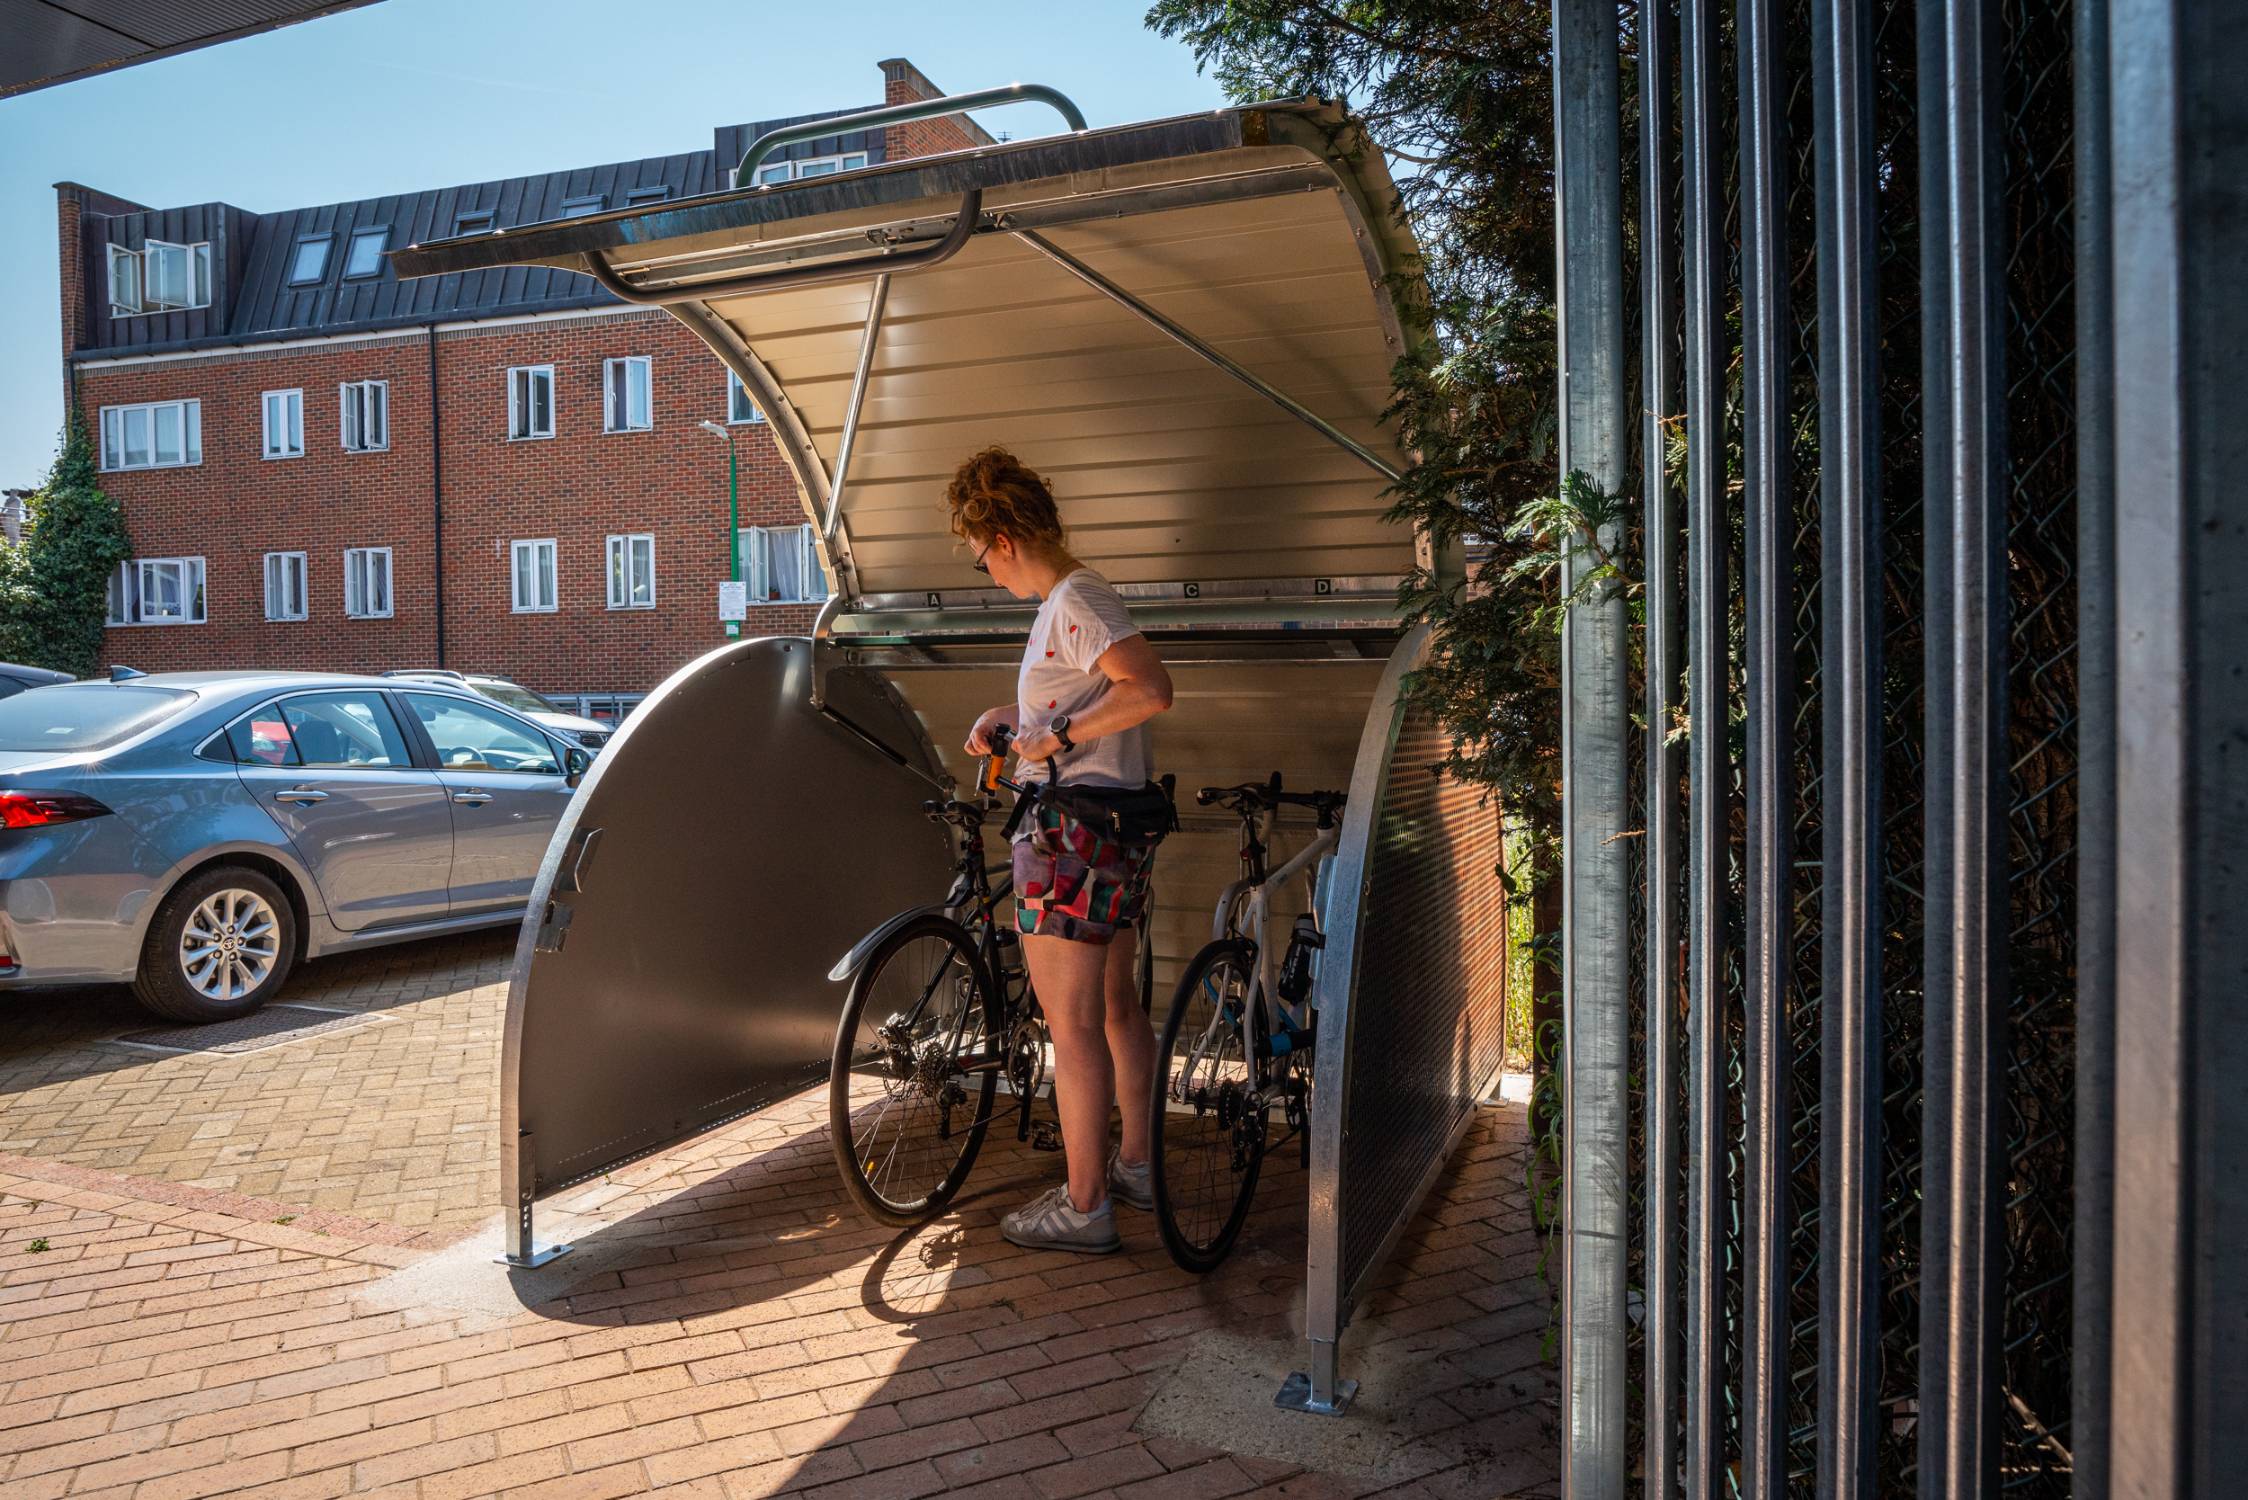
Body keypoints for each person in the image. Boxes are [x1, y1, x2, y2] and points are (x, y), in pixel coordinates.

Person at [949, 445, 1175, 1254]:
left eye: (982, 560)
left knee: (1071, 1027)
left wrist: (1057, 739)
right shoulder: (1070, 603)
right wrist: (1010, 720)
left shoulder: (1075, 597)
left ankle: (1083, 1208)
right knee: (1115, 1011)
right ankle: (1136, 1169)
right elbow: (1073, 696)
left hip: (1071, 835)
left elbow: (1147, 690)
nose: (990, 574)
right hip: (1110, 830)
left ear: (1003, 536)